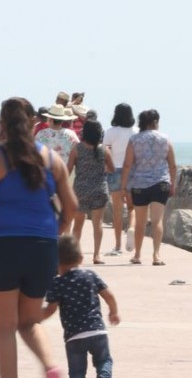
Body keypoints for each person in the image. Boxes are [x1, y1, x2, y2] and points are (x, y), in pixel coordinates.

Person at [0, 98, 77, 378]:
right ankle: (50, 366)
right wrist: (59, 226)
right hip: (42, 247)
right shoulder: (51, 160)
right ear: (35, 122)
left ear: (2, 125)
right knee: (30, 320)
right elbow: (71, 206)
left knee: (4, 326)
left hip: (5, 245)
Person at [42, 235, 120, 378]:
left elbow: (50, 309)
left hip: (74, 336)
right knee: (104, 360)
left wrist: (35, 318)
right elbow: (109, 296)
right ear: (80, 258)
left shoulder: (57, 283)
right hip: (97, 331)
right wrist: (113, 311)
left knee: (77, 370)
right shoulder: (90, 275)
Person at [122, 109, 177, 265]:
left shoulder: (134, 140)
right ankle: (156, 255)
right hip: (161, 183)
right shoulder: (165, 139)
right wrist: (172, 184)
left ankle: (138, 255)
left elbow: (127, 164)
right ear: (155, 122)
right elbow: (172, 165)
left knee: (140, 222)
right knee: (157, 220)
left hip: (139, 184)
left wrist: (124, 186)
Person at [69, 121, 112, 264]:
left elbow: (68, 170)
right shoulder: (104, 150)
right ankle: (96, 255)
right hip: (99, 188)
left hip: (80, 189)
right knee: (97, 223)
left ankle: (75, 255)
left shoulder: (77, 149)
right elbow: (111, 169)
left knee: (78, 224)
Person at [104, 104, 137, 256]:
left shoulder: (110, 132)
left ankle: (117, 245)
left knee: (117, 209)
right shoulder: (136, 132)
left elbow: (106, 152)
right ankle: (131, 228)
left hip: (114, 170)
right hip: (131, 170)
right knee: (132, 207)